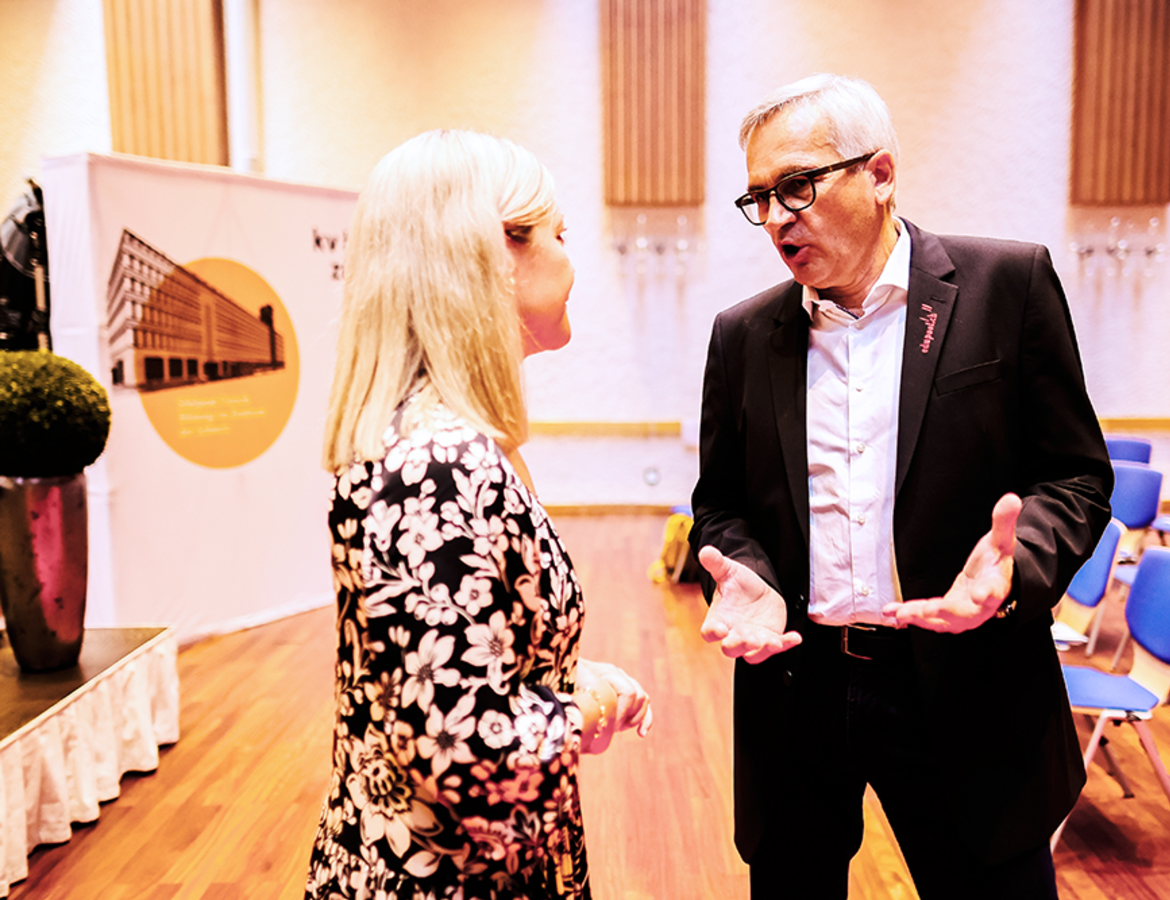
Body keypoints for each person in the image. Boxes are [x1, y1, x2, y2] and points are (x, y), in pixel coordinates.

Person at [690, 74, 1113, 899]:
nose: (775, 218)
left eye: (796, 186)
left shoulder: (1006, 286)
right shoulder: (743, 334)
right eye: (759, 198)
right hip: (798, 684)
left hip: (965, 682)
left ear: (879, 174)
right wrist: (753, 577)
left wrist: (1017, 567)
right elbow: (722, 505)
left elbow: (1075, 475)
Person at [308, 129, 653, 900]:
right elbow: (464, 752)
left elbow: (459, 661)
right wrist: (586, 706)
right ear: (495, 252)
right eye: (559, 234)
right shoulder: (435, 466)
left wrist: (560, 675)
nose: (571, 260)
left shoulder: (452, 445)